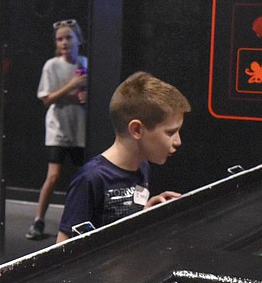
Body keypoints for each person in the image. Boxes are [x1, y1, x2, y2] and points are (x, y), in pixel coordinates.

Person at [56, 71, 190, 242]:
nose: (178, 141)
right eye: (170, 132)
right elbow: (63, 247)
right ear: (136, 130)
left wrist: (144, 213)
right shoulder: (92, 178)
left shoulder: (143, 167)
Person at [26, 19, 88, 240]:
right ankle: (38, 221)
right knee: (53, 175)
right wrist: (73, 86)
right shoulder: (51, 65)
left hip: (80, 129)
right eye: (60, 39)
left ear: (78, 40)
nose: (64, 42)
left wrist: (84, 96)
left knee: (84, 176)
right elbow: (46, 98)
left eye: (68, 37)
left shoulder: (85, 63)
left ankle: (82, 221)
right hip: (57, 129)